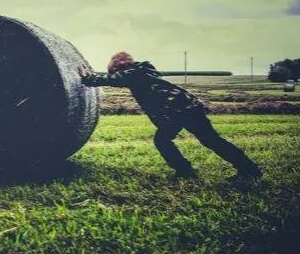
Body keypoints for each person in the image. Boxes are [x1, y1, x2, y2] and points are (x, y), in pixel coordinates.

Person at [77, 52, 262, 180]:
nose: (117, 74)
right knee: (211, 140)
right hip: (187, 107)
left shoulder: (135, 73)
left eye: (115, 69)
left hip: (176, 111)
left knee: (165, 141)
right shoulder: (144, 70)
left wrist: (88, 78)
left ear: (120, 66)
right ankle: (249, 169)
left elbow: (112, 80)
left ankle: (185, 171)